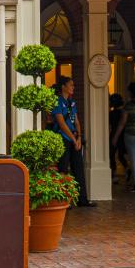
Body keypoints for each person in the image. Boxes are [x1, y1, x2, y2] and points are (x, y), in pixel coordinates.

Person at [51, 75, 96, 207]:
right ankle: (64, 199)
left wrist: (79, 137)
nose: (73, 87)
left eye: (73, 85)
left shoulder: (72, 102)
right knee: (63, 169)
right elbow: (61, 123)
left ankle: (82, 199)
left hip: (74, 139)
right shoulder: (57, 102)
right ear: (63, 87)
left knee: (78, 168)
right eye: (71, 85)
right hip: (63, 138)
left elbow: (76, 121)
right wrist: (73, 138)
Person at [108, 92, 127, 181]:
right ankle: (127, 168)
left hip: (114, 135)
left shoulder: (111, 114)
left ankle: (114, 174)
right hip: (124, 135)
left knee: (111, 155)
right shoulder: (125, 112)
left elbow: (109, 126)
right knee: (121, 155)